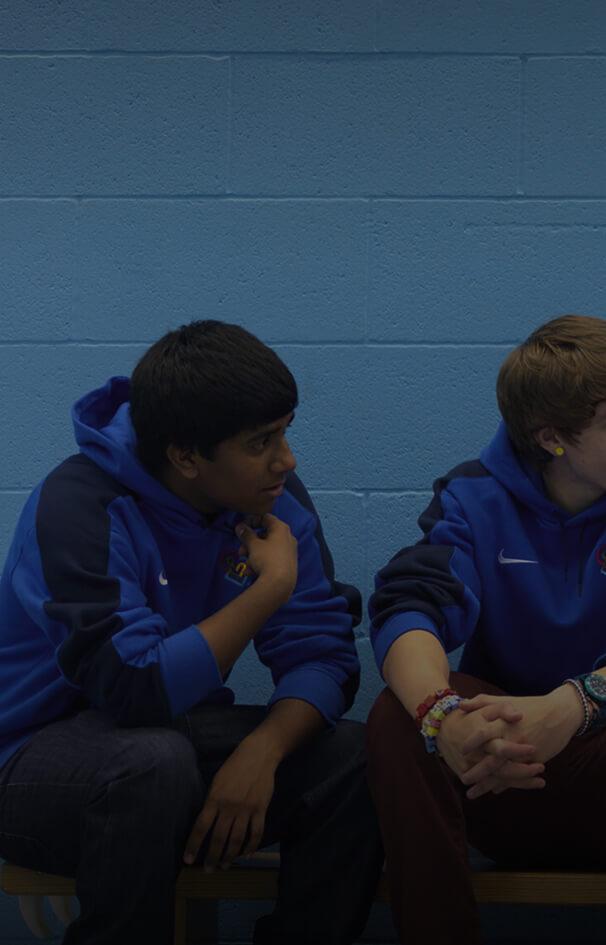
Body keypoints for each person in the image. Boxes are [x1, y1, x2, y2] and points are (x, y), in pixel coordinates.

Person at [0, 321, 379, 944]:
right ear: (186, 457)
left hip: (169, 744)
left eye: (285, 432)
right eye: (261, 442)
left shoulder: (274, 497)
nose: (286, 460)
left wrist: (263, 752)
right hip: (33, 763)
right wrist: (269, 590)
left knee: (356, 756)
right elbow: (134, 687)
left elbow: (326, 657)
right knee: (154, 763)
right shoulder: (80, 505)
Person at [363, 314, 606, 945]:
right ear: (551, 438)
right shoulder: (473, 496)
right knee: (400, 715)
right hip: (498, 780)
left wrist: (575, 705)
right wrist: (441, 716)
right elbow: (412, 603)